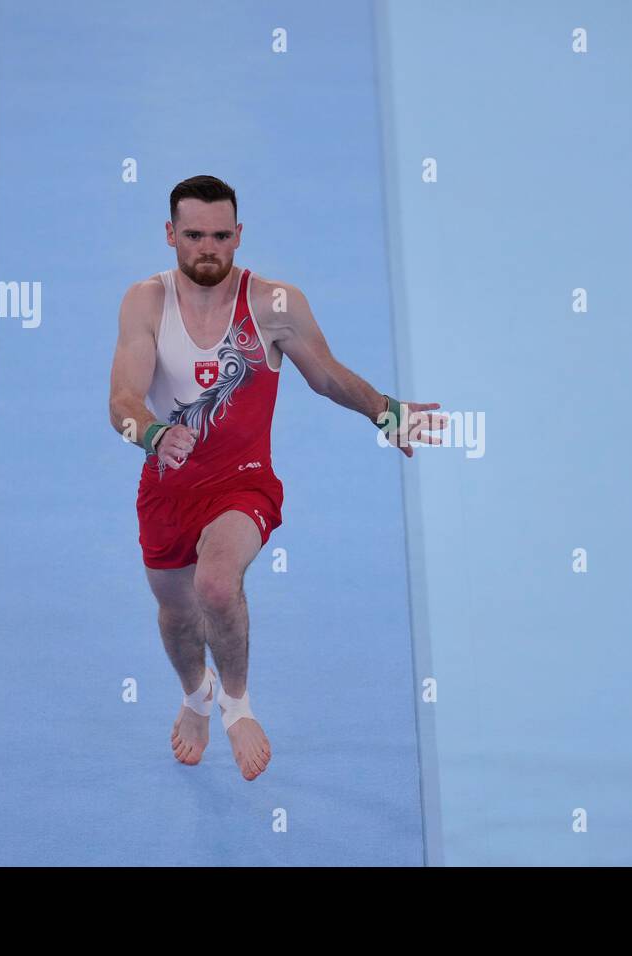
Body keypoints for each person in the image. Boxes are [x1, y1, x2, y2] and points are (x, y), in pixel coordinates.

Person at [108, 175, 445, 780]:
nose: (206, 248)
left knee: (215, 583)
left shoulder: (273, 304)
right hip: (167, 485)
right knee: (176, 611)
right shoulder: (145, 302)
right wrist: (154, 434)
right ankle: (196, 695)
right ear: (170, 236)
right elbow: (122, 402)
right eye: (193, 236)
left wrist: (386, 412)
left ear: (238, 236)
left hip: (244, 483)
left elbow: (326, 374)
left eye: (219, 235)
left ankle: (237, 705)